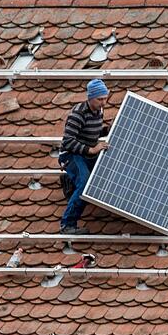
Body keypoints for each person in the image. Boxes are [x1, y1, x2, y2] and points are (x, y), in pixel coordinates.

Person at [58, 79, 111, 234]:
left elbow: (92, 132)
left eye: (105, 98)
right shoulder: (78, 114)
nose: (103, 102)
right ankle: (67, 225)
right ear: (90, 98)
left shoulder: (99, 111)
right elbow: (68, 141)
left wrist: (107, 130)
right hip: (71, 155)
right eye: (99, 99)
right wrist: (92, 150)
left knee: (107, 169)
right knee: (85, 183)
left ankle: (71, 181)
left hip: (85, 154)